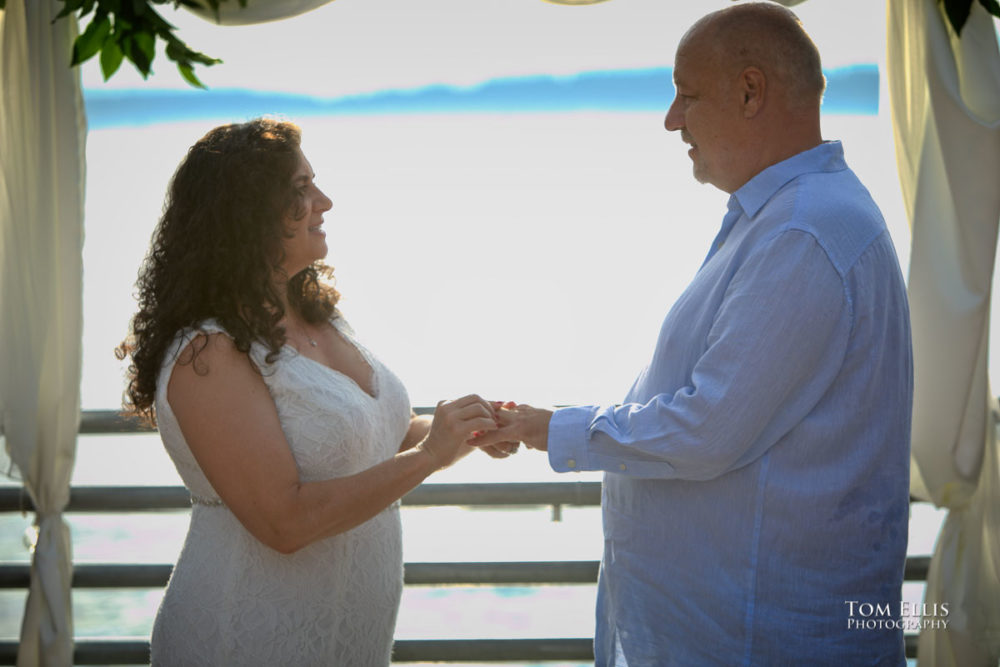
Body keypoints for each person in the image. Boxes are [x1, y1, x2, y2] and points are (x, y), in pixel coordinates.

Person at [473, 3, 912, 665]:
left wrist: (549, 427)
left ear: (749, 91)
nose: (671, 119)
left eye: (686, 94)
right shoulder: (789, 216)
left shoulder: (804, 232)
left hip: (762, 641)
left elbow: (709, 429)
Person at [116, 119, 510, 666]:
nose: (324, 201)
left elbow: (365, 442)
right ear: (245, 214)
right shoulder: (207, 354)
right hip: (243, 642)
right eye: (300, 190)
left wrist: (463, 428)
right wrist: (430, 455)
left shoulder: (320, 314)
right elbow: (285, 521)